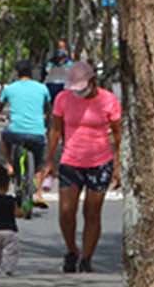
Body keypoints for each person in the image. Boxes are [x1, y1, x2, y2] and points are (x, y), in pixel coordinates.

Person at [42, 59, 121, 273]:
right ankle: (72, 250)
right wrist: (49, 160)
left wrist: (118, 164)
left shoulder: (109, 100)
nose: (78, 93)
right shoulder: (63, 99)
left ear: (93, 81)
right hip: (71, 161)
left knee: (92, 212)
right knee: (67, 211)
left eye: (82, 88)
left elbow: (118, 133)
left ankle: (86, 258)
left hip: (100, 162)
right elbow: (56, 131)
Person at [0, 62, 51, 216]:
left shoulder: (9, 89)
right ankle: (38, 193)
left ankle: (10, 164)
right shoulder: (42, 88)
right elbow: (48, 109)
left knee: (4, 137)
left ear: (17, 73)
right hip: (37, 133)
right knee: (39, 164)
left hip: (15, 132)